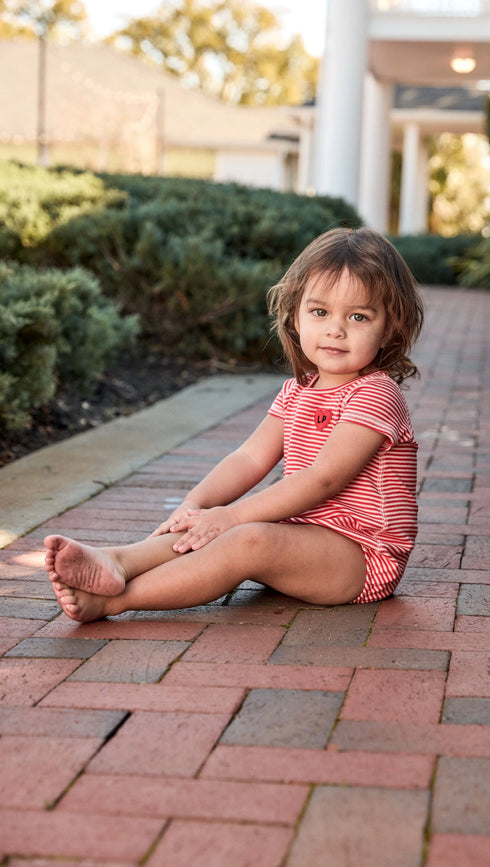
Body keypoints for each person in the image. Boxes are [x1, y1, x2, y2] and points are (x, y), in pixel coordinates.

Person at [45, 226, 424, 623]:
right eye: (320, 311)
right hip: (299, 538)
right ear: (294, 316)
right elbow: (249, 457)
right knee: (209, 523)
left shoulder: (376, 395)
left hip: (360, 559)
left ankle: (115, 601)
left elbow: (322, 479)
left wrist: (232, 516)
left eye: (358, 316)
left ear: (389, 329)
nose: (335, 328)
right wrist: (197, 504)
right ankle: (117, 561)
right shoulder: (299, 390)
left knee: (246, 533)